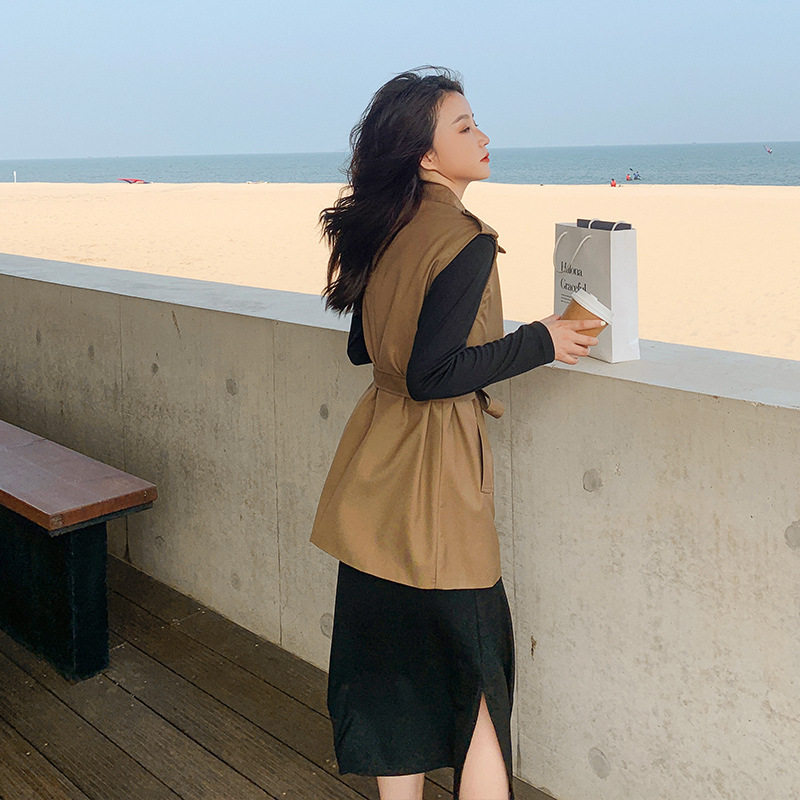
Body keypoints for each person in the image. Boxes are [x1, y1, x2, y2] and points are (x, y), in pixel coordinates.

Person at [311, 66, 601, 800]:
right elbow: (432, 375)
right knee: (476, 682)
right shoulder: (465, 239)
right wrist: (542, 339)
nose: (484, 136)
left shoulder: (386, 225)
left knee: (391, 680)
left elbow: (367, 351)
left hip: (370, 474)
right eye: (465, 127)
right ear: (426, 154)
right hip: (436, 480)